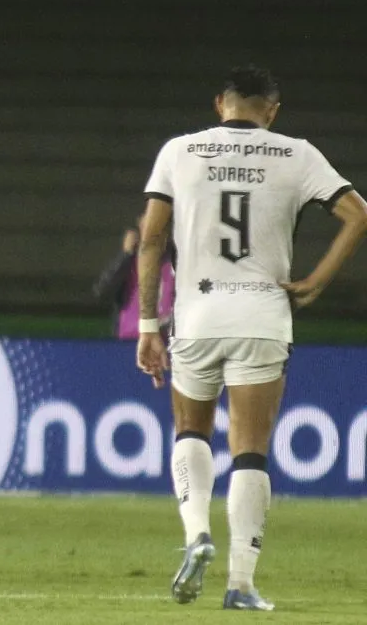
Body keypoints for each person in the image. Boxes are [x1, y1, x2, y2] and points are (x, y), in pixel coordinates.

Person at [136, 65, 367, 611]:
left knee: (190, 429)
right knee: (250, 449)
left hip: (197, 315)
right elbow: (359, 216)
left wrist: (148, 324)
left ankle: (197, 533)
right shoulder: (297, 154)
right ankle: (240, 583)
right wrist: (316, 281)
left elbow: (151, 239)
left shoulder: (179, 151)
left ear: (220, 103)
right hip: (263, 316)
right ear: (273, 111)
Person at [93, 213, 174, 340]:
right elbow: (102, 292)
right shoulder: (129, 261)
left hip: (165, 341)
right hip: (128, 340)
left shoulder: (176, 263)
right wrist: (125, 255)